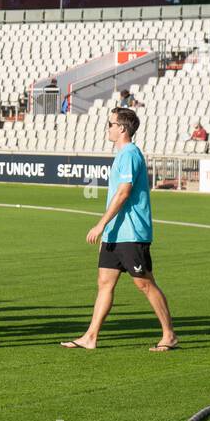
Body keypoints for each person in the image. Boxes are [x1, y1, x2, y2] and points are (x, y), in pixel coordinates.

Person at [62, 107, 177, 352]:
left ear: (122, 128)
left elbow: (124, 193)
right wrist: (108, 231)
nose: (108, 127)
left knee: (144, 283)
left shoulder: (130, 155)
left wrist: (101, 223)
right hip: (116, 233)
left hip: (132, 232)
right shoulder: (122, 155)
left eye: (111, 123)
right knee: (104, 282)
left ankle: (169, 334)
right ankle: (90, 336)